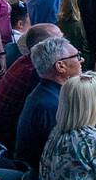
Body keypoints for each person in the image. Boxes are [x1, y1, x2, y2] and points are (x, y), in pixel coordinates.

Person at [14, 35, 83, 170]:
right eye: (77, 56)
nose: (82, 60)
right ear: (60, 66)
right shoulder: (52, 105)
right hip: (41, 178)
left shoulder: (46, 94)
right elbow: (71, 152)